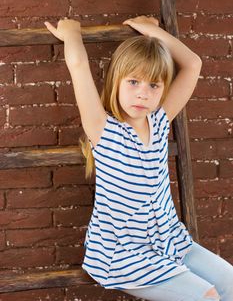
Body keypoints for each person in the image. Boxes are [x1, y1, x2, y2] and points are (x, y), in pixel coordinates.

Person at [44, 16, 233, 301]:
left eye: (154, 86)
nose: (143, 94)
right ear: (116, 81)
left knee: (229, 282)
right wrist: (72, 36)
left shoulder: (158, 121)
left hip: (169, 240)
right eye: (133, 82)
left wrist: (154, 33)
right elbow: (79, 66)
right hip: (123, 253)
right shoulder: (104, 130)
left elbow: (193, 64)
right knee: (207, 297)